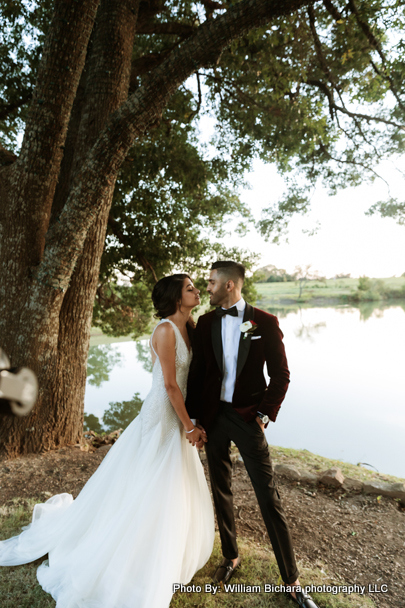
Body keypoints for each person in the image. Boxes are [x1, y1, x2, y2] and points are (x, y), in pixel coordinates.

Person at [0, 274, 215, 608]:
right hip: (162, 414)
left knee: (170, 480)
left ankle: (162, 546)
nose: (197, 291)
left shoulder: (191, 328)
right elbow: (170, 385)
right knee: (153, 479)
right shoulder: (165, 330)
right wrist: (189, 427)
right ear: (176, 297)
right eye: (190, 288)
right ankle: (134, 551)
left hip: (179, 412)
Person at [186, 260, 319, 608]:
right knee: (221, 488)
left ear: (230, 285)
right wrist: (196, 419)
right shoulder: (206, 322)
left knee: (268, 497)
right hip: (214, 419)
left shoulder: (265, 322)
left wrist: (264, 414)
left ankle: (292, 581)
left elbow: (281, 375)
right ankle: (231, 557)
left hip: (247, 419)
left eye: (212, 282)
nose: (208, 288)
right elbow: (198, 373)